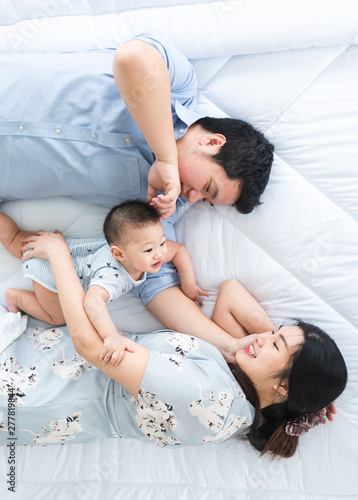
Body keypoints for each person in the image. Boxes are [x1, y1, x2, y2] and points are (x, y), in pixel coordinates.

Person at [0, 34, 274, 349]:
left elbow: (156, 289)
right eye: (208, 187)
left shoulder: (151, 207)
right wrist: (166, 157)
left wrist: (230, 347)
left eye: (207, 201)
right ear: (212, 142)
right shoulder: (179, 88)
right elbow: (132, 57)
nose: (195, 197)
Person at [0, 231, 347, 458]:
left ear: (282, 385)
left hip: (28, 383)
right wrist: (296, 381)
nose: (262, 336)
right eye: (275, 332)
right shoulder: (238, 393)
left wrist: (58, 256)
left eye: (275, 344)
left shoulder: (208, 397)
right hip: (35, 365)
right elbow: (229, 294)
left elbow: (92, 347)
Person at [0, 201, 207, 365]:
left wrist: (188, 283)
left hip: (63, 247)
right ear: (119, 253)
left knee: (16, 239)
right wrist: (111, 336)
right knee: (57, 317)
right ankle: (16, 297)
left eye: (161, 242)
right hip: (51, 273)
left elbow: (178, 250)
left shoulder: (155, 251)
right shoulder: (112, 276)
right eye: (148, 250)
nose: (159, 254)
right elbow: (92, 302)